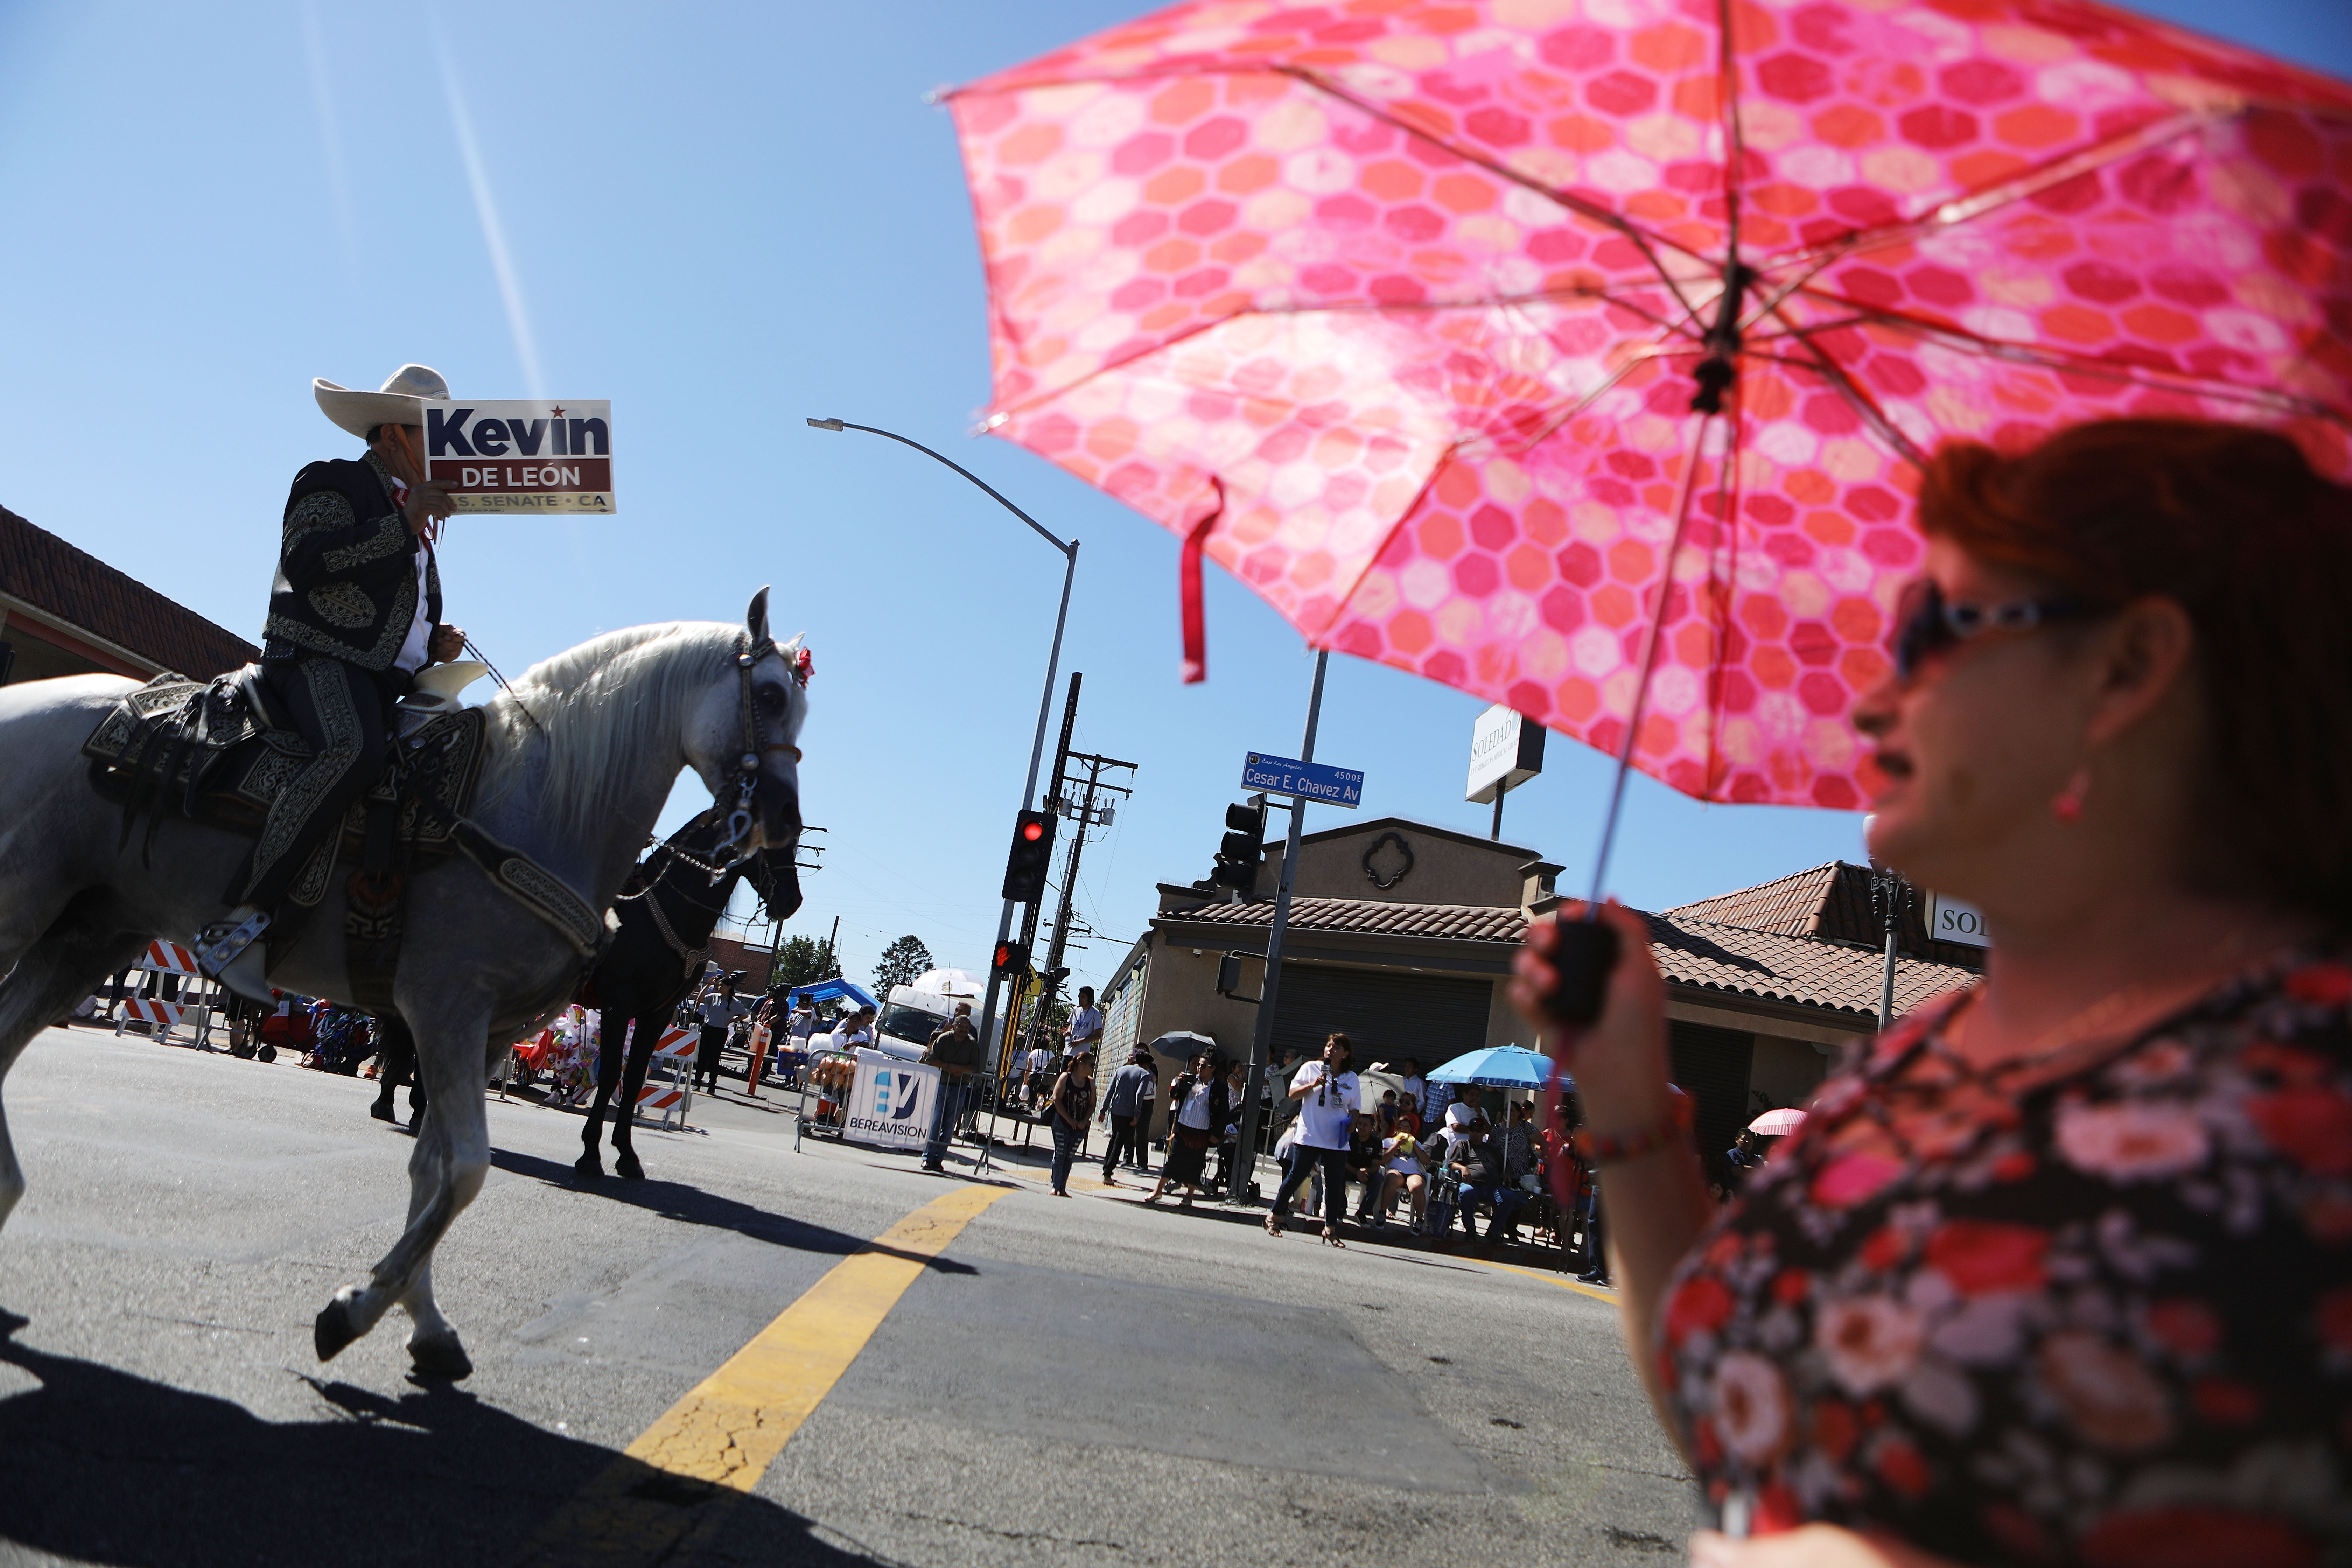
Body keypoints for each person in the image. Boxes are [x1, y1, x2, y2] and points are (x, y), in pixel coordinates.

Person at [1512, 419, 2352, 1567]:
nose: (1869, 704)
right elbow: (1740, 1417)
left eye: (1935, 630)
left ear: (2127, 668)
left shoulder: (2312, 1109)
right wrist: (1624, 1098)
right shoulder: (1928, 1050)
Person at [192, 366, 467, 997]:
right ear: (396, 434)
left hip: (385, 683)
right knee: (355, 751)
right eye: (436, 437)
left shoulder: (420, 522)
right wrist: (402, 526)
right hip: (313, 660)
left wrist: (436, 644)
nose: (447, 453)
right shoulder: (334, 480)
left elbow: (398, 620)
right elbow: (305, 560)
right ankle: (240, 918)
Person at [1265, 1031, 1360, 1246]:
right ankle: (1275, 1216)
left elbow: (1355, 1109)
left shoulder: (1351, 1078)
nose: (1331, 1050)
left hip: (1336, 1139)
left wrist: (1353, 1121)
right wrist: (1314, 1085)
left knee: (1335, 1185)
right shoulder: (1311, 1068)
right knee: (1296, 1177)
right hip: (1310, 1134)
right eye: (1329, 1046)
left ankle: (1330, 1228)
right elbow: (1293, 1095)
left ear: (1345, 1054)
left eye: (1336, 1047)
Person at [1442, 1112, 1528, 1255]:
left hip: (1493, 1186)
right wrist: (1463, 1168)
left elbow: (1505, 1165)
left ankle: (1494, 1232)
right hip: (1472, 1184)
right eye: (1472, 1130)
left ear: (1484, 1133)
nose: (1475, 1134)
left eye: (1479, 1131)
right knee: (1466, 1193)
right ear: (1469, 1131)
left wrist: (1508, 1171)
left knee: (1508, 1198)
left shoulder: (1493, 1150)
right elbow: (1452, 1164)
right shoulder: (1463, 1145)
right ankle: (1470, 1229)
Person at [1147, 1052, 1223, 1209]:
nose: (1200, 1068)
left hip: (1201, 1131)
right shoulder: (1191, 1080)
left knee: (1195, 1165)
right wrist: (1179, 1084)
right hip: (1182, 1128)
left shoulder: (1219, 1088)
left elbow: (1223, 1112)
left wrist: (1217, 1135)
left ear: (1213, 1068)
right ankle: (1158, 1191)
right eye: (1198, 1065)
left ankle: (1189, 1196)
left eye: (1204, 1066)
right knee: (1173, 1160)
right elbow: (1175, 1096)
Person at [919, 1001, 983, 1174]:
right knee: (936, 1122)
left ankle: (939, 1160)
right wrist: (948, 1067)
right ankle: (928, 1158)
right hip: (941, 1085)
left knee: (949, 1126)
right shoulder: (944, 1037)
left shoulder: (972, 1043)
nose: (963, 1029)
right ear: (954, 1027)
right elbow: (930, 1059)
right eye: (960, 1026)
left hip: (960, 1088)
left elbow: (975, 1067)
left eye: (966, 1027)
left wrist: (960, 1070)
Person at [1098, 1045, 1157, 1186]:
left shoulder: (1121, 1070)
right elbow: (1140, 1095)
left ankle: (1106, 1167)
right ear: (1147, 1065)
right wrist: (1137, 1114)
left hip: (1116, 1110)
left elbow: (1110, 1091)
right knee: (1119, 1142)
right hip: (1129, 1113)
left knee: (1114, 1139)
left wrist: (1103, 1110)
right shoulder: (1145, 1075)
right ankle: (1108, 1172)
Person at [1045, 1050, 1095, 1197]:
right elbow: (1057, 1099)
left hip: (1080, 1125)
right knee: (1060, 1153)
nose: (1093, 1068)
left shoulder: (1090, 1082)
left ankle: (1063, 1187)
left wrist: (1084, 1121)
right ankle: (1056, 1186)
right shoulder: (1066, 1077)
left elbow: (1092, 1104)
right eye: (1091, 1065)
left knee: (1070, 1155)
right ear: (1081, 1064)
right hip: (1062, 1122)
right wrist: (1069, 1119)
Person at [692, 976, 737, 1093]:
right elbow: (700, 999)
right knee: (702, 1058)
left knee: (714, 1059)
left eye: (723, 986)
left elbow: (744, 1015)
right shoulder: (713, 997)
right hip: (708, 1029)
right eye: (719, 985)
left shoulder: (733, 1002)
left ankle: (712, 1085)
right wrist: (708, 985)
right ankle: (697, 1083)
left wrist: (731, 1021)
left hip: (720, 1031)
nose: (720, 987)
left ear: (729, 988)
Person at [1064, 986, 1104, 1056]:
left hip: (1081, 1054)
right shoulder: (1075, 1010)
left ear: (1090, 998)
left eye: (1083, 997)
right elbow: (1071, 1025)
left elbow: (1098, 1035)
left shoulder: (1096, 1014)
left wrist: (1081, 1041)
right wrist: (1068, 1032)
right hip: (1068, 1052)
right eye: (1079, 997)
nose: (1080, 999)